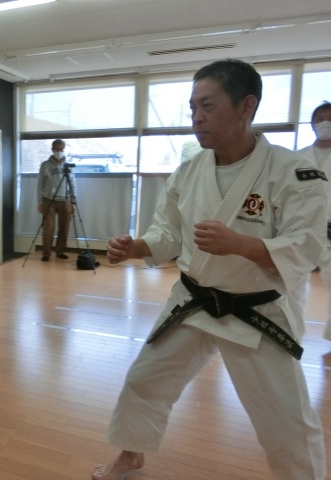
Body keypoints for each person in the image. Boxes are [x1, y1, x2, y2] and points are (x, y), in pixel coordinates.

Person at [93, 59, 327, 480]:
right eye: (193, 108)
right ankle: (131, 454)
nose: (197, 117)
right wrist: (137, 247)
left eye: (208, 106)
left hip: (254, 308)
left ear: (246, 106)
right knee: (145, 380)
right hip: (194, 299)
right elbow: (168, 232)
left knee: (286, 420)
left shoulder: (293, 172)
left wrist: (242, 244)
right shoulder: (189, 170)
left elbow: (307, 244)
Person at [298, 101, 331, 341]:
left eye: (330, 120)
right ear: (311, 124)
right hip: (301, 230)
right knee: (292, 284)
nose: (325, 124)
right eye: (320, 119)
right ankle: (289, 331)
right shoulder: (297, 158)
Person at [37, 139, 76, 261]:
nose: (59, 152)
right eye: (57, 149)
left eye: (61, 149)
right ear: (52, 149)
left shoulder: (68, 165)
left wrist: (73, 201)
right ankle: (46, 253)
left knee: (64, 226)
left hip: (65, 199)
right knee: (48, 227)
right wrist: (40, 202)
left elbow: (73, 183)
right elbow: (40, 183)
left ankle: (60, 251)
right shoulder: (45, 165)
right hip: (49, 199)